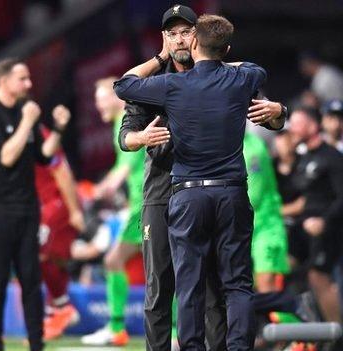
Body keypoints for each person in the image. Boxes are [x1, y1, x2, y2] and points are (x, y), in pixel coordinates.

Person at [114, 14, 284, 350]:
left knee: (205, 287)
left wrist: (279, 110)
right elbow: (125, 136)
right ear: (165, 38)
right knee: (163, 287)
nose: (178, 39)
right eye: (171, 33)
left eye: (185, 33)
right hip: (171, 193)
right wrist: (141, 138)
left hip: (187, 194)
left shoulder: (165, 86)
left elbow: (122, 84)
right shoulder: (233, 78)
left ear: (194, 40)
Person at [0, 58, 69, 351]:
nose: (29, 84)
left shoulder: (25, 112)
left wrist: (58, 129)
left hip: (28, 208)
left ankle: (36, 343)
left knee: (31, 277)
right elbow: (6, 157)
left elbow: (43, 157)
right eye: (23, 79)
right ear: (3, 82)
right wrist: (27, 121)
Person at [80, 77, 145, 347]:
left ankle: (119, 328)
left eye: (102, 98)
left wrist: (98, 191)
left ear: (117, 97)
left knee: (117, 262)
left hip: (148, 206)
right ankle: (119, 329)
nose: (98, 105)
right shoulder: (123, 121)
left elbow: (123, 171)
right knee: (160, 268)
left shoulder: (125, 120)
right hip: (143, 205)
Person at [287, 107, 343, 324]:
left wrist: (324, 221)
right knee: (281, 267)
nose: (292, 128)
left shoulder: (332, 157)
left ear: (312, 125)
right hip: (302, 228)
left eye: (297, 123)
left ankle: (336, 335)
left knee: (318, 276)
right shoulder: (302, 158)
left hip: (327, 228)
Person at [35, 124, 84, 340]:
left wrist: (74, 211)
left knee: (37, 254)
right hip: (49, 204)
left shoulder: (38, 134)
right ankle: (54, 316)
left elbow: (61, 169)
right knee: (55, 261)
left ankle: (62, 308)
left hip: (59, 203)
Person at [243, 132, 290, 293]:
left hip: (265, 227)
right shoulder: (223, 144)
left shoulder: (253, 148)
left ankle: (283, 317)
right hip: (243, 227)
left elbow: (253, 196)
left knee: (267, 286)